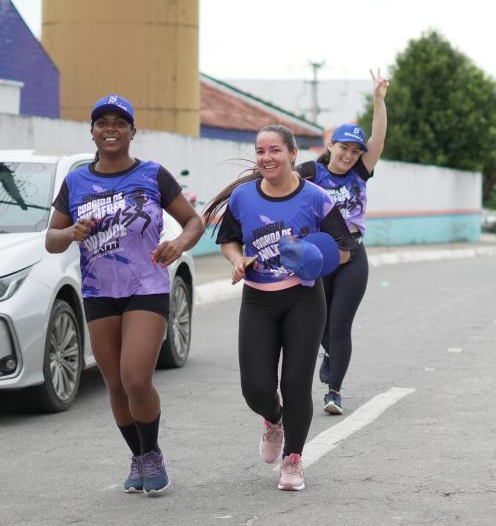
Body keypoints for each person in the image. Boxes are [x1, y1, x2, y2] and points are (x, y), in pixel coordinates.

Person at [45, 94, 204, 496]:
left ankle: (151, 454)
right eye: (103, 122)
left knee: (136, 378)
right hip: (99, 293)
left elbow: (193, 221)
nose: (110, 129)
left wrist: (179, 245)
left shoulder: (153, 174)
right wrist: (70, 233)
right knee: (114, 384)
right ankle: (138, 456)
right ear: (93, 132)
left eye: (119, 122)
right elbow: (51, 240)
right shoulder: (76, 181)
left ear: (133, 131)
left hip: (146, 287)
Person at [201, 125, 358, 491]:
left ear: (292, 155)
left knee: (296, 384)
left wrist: (312, 256)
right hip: (258, 299)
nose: (266, 158)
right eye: (260, 151)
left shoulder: (316, 198)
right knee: (255, 388)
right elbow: (228, 241)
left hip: (303, 298)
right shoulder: (243, 198)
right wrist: (237, 260)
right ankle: (273, 421)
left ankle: (294, 459)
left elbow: (346, 249)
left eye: (274, 150)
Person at [297, 69, 388, 415]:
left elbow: (378, 138)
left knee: (340, 323)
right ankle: (330, 354)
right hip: (319, 257)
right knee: (319, 322)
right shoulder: (309, 173)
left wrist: (378, 100)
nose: (348, 155)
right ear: (330, 146)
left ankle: (333, 391)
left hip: (354, 256)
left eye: (354, 151)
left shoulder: (359, 173)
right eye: (343, 148)